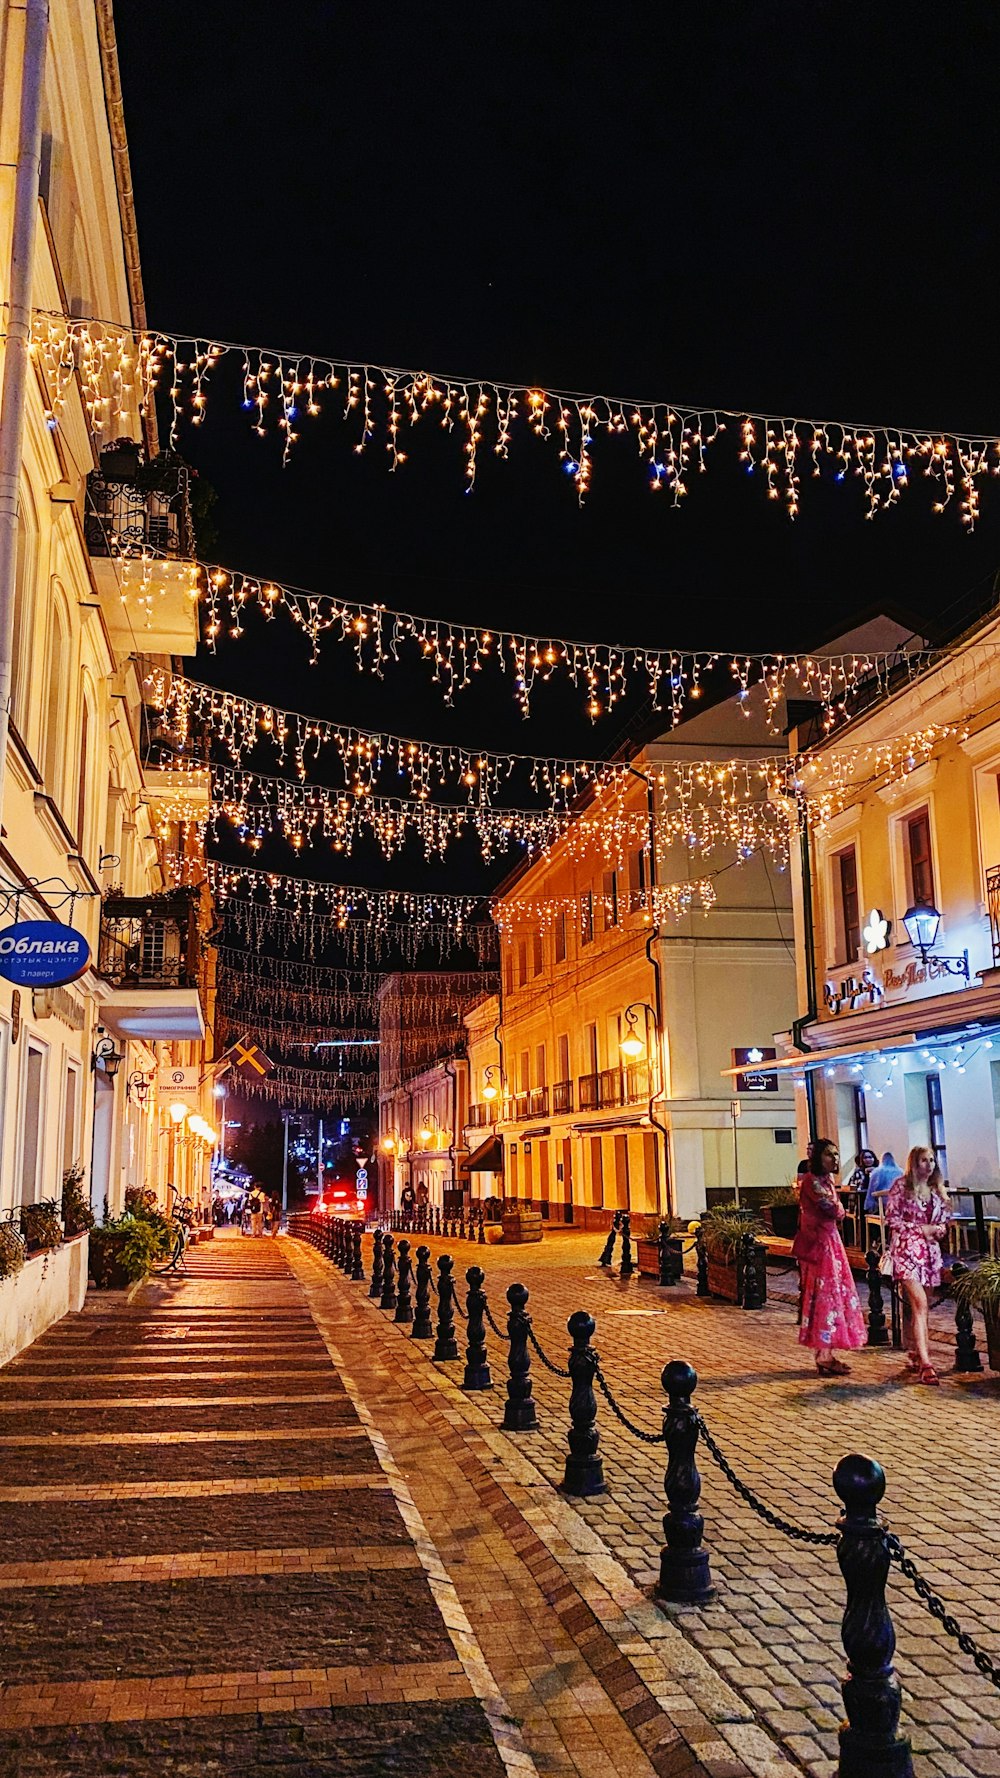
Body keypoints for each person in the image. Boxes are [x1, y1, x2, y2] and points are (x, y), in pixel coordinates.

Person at [791, 1136, 867, 1376]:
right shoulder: (812, 1182)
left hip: (830, 1243)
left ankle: (826, 1351)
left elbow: (838, 1210)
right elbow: (834, 1209)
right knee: (824, 1296)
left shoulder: (827, 1181)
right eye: (829, 1154)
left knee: (834, 1295)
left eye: (836, 1154)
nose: (834, 1159)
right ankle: (823, 1353)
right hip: (819, 1245)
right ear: (817, 1158)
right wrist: (839, 1208)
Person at [884, 1147, 950, 1386]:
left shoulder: (936, 1190)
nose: (929, 1165)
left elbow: (942, 1222)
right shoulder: (901, 1187)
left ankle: (915, 1349)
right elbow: (892, 1219)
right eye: (924, 1160)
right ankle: (926, 1362)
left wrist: (939, 1230)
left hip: (930, 1254)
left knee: (923, 1306)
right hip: (907, 1251)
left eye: (932, 1160)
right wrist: (919, 1229)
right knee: (919, 1302)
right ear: (914, 1163)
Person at [864, 1151, 903, 1216]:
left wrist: (868, 1206)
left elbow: (871, 1190)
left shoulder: (876, 1172)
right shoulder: (901, 1171)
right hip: (898, 1206)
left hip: (881, 1207)